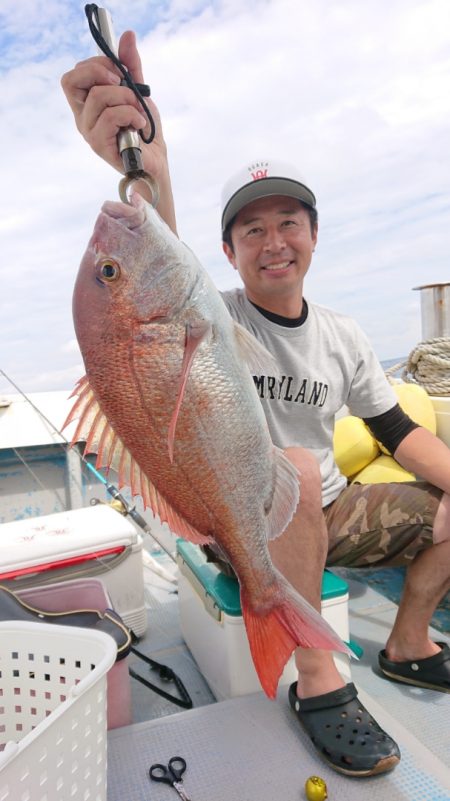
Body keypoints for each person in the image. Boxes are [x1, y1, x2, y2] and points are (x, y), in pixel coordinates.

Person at [61, 32, 450, 778]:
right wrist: (149, 156)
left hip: (329, 517)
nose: (272, 240)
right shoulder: (212, 317)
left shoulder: (343, 333)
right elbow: (161, 246)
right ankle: (319, 681)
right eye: (250, 228)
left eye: (287, 222)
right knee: (297, 466)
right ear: (226, 251)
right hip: (239, 522)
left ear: (313, 236)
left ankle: (407, 645)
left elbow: (397, 431)